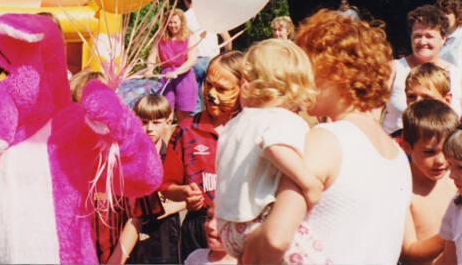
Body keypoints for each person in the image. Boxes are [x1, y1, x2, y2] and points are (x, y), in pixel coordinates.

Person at [241, 9, 412, 264]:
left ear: (335, 69)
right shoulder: (397, 156)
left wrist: (244, 244)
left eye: (306, 66)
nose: (297, 78)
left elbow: (275, 239)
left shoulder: (326, 141)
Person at [215, 39, 326, 263]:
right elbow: (275, 146)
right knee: (317, 258)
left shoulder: (235, 123)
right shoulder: (280, 119)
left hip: (227, 228)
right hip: (256, 220)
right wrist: (309, 183)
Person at [161, 51, 243, 260]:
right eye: (208, 85)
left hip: (243, 226)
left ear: (243, 89)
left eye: (222, 88)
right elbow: (166, 185)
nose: (211, 94)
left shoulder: (251, 130)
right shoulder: (187, 129)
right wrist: (184, 192)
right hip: (200, 227)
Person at [109, 95, 182, 264]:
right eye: (144, 122)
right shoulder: (128, 156)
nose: (149, 128)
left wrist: (168, 207)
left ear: (169, 120)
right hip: (131, 231)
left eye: (156, 122)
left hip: (165, 233)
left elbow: (192, 195)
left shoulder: (174, 154)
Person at [383, 5, 462, 135]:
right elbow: (372, 113)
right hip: (399, 147)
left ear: (443, 39)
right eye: (417, 36)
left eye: (429, 36)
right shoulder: (394, 69)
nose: (422, 41)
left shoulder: (456, 75)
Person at [400, 99, 458, 264]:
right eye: (429, 152)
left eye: (446, 150)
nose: (440, 160)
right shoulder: (403, 189)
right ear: (407, 146)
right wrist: (448, 234)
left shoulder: (455, 179)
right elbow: (409, 253)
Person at [146, 9, 201, 122]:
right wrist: (149, 69)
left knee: (183, 116)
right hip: (166, 78)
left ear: (181, 22)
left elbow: (191, 60)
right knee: (165, 114)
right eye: (170, 22)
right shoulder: (161, 37)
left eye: (175, 22)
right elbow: (152, 56)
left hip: (184, 78)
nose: (172, 25)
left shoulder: (189, 37)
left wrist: (176, 72)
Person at [183, 6, 232, 96]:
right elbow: (228, 40)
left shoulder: (184, 17)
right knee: (212, 94)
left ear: (185, 1)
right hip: (213, 59)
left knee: (196, 96)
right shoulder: (214, 15)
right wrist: (225, 57)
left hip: (194, 60)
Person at [439, 129, 462, 263]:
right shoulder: (456, 206)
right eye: (450, 165)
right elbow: (449, 259)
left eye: (460, 167)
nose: (451, 175)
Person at [436, 0, 462, 68]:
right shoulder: (436, 37)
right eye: (440, 13)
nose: (444, 16)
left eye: (447, 12)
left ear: (457, 15)